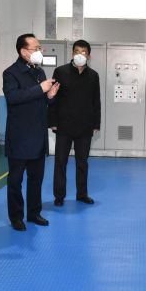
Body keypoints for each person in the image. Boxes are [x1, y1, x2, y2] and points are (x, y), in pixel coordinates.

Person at [3, 34, 59, 231]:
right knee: (15, 180)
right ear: (23, 52)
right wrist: (40, 89)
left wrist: (49, 96)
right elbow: (12, 97)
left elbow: (41, 99)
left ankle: (34, 213)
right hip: (20, 137)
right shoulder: (11, 73)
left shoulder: (39, 71)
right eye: (35, 48)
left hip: (38, 135)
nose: (38, 51)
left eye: (39, 48)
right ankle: (16, 217)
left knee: (36, 179)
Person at [48, 40, 101, 206]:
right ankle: (59, 196)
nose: (80, 55)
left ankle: (82, 194)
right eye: (77, 51)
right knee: (60, 161)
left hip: (85, 126)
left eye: (83, 52)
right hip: (64, 125)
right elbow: (54, 99)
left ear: (88, 56)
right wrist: (53, 122)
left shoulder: (94, 76)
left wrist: (96, 124)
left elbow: (96, 101)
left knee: (82, 162)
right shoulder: (60, 72)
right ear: (72, 54)